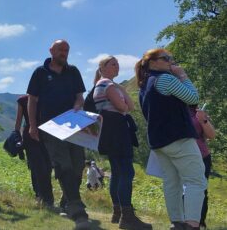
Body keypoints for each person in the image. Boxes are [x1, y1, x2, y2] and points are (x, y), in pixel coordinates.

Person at [136, 48, 207, 230]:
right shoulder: (165, 79)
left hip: (159, 142)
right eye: (166, 58)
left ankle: (177, 223)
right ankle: (191, 225)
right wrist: (182, 75)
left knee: (172, 182)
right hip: (179, 138)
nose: (171, 62)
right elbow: (193, 98)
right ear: (153, 63)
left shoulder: (144, 86)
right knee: (196, 180)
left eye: (171, 58)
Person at [27, 39, 91, 229]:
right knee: (63, 165)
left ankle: (66, 203)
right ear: (51, 51)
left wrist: (79, 105)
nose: (64, 53)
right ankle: (79, 212)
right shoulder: (40, 72)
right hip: (51, 127)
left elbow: (80, 96)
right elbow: (32, 100)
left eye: (67, 50)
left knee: (78, 166)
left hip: (73, 125)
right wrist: (32, 125)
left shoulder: (74, 71)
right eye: (61, 49)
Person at [92, 56, 151, 229]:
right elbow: (124, 107)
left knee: (117, 172)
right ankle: (127, 216)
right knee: (126, 171)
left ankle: (118, 212)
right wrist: (121, 93)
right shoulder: (107, 85)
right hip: (117, 130)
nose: (117, 66)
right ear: (102, 67)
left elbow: (129, 106)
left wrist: (121, 91)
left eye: (117, 63)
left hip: (108, 131)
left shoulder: (101, 84)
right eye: (113, 64)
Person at [16, 94, 54, 207]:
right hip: (30, 136)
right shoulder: (23, 100)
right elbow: (18, 122)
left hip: (47, 135)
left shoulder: (47, 98)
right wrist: (17, 139)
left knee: (47, 167)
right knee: (37, 167)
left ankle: (43, 196)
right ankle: (44, 197)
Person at [189, 105, 216, 230]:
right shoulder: (172, 109)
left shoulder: (197, 111)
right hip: (181, 157)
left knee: (202, 191)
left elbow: (211, 135)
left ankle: (200, 223)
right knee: (182, 191)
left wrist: (203, 120)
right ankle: (183, 222)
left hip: (202, 157)